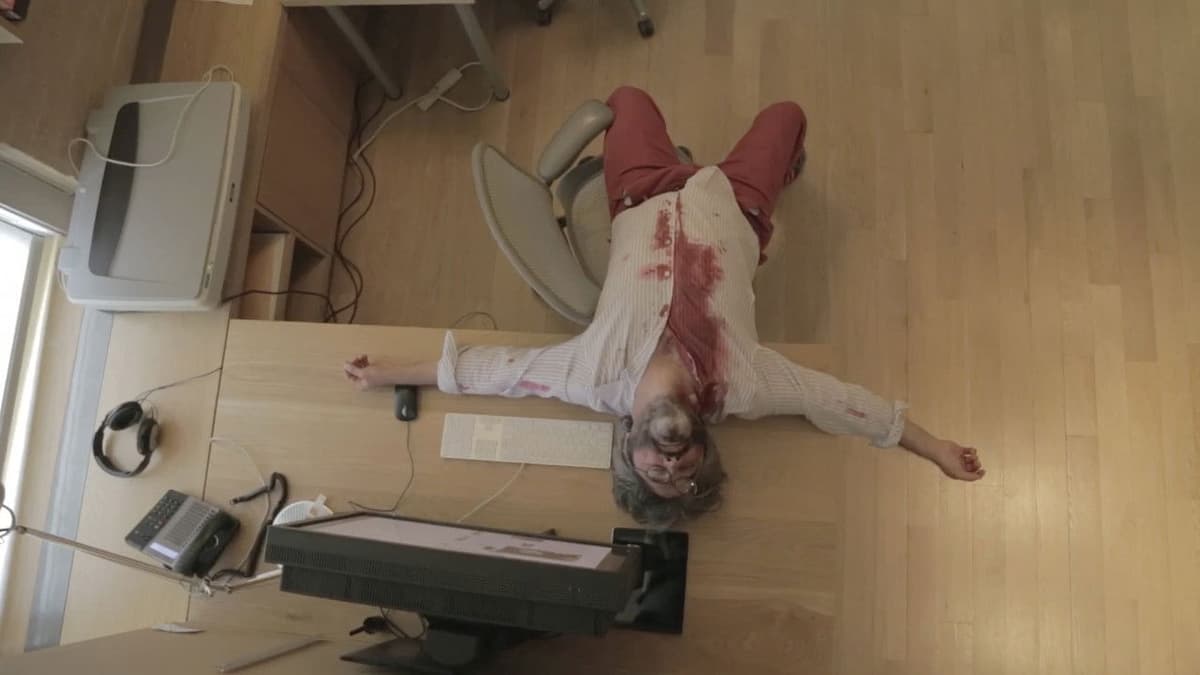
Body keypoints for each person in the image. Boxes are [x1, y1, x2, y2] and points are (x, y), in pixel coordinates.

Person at [343, 87, 985, 528]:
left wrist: (389, 374)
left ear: (626, 445)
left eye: (657, 473)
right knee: (788, 114)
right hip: (735, 204)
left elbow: (495, 372)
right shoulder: (745, 386)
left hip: (641, 195)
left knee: (627, 98)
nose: (673, 466)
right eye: (687, 473)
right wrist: (934, 447)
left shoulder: (592, 377)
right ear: (705, 448)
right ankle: (783, 172)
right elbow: (837, 401)